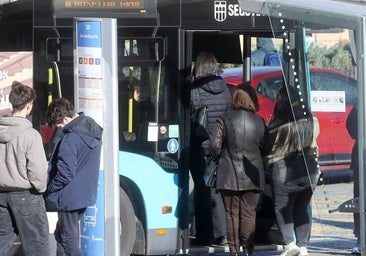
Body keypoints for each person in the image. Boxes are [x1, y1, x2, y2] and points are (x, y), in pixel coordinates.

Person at [210, 85, 273, 256]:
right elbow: (268, 147)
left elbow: (214, 145)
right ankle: (247, 249)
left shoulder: (224, 119)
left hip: (228, 173)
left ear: (235, 98)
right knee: (249, 213)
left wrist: (223, 152)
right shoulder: (260, 121)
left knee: (231, 213)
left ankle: (234, 251)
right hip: (253, 173)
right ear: (252, 99)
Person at [266, 85, 320, 256]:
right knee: (302, 207)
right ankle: (303, 247)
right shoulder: (312, 120)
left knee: (283, 207)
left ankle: (290, 244)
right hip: (310, 168)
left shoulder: (276, 123)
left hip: (284, 168)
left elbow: (268, 147)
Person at [44, 98, 103, 256]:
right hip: (84, 195)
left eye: (59, 126)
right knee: (61, 234)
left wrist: (50, 189)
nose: (59, 129)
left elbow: (65, 173)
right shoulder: (92, 131)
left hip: (68, 197)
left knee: (68, 238)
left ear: (65, 119)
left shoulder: (70, 138)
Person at [0, 84, 50, 256]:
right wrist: (40, 188)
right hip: (26, 195)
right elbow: (38, 172)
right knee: (37, 246)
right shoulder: (31, 135)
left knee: (2, 242)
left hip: (1, 195)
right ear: (29, 105)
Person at [190, 51, 231, 246]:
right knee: (217, 190)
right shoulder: (225, 89)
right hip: (220, 146)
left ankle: (205, 235)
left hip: (200, 147)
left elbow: (192, 116)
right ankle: (222, 233)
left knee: (202, 191)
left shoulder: (194, 89)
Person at [346, 105, 361, 255]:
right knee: (359, 197)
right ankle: (360, 237)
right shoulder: (360, 103)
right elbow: (350, 125)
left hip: (361, 155)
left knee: (360, 196)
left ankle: (360, 237)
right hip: (360, 157)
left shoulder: (361, 103)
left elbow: (350, 126)